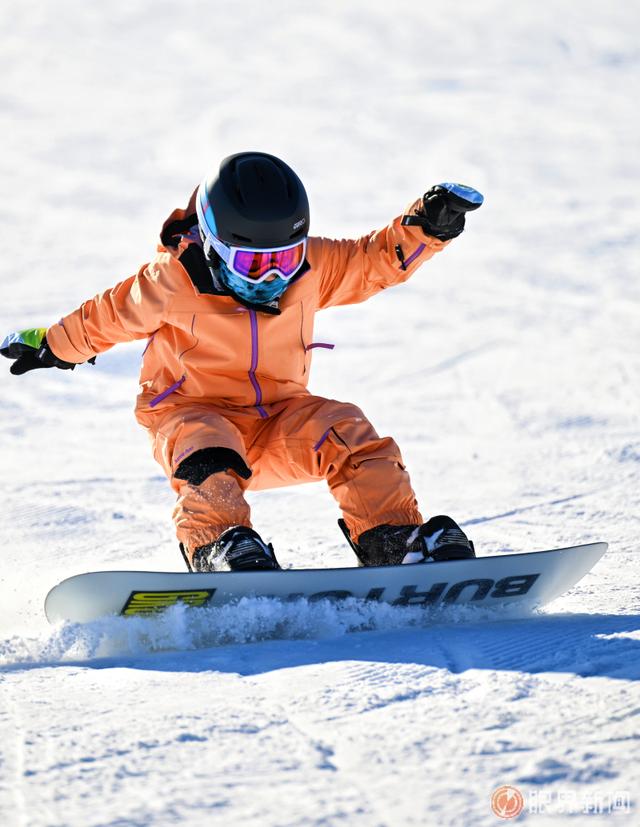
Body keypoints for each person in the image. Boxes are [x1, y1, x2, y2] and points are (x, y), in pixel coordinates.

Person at [1, 151, 483, 572]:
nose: (273, 275)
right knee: (207, 444)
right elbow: (104, 317)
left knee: (346, 428)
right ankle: (218, 546)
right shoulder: (169, 282)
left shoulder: (310, 270)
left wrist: (426, 227)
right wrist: (52, 345)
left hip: (279, 419)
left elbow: (370, 259)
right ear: (212, 245)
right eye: (253, 264)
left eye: (286, 258)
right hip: (192, 415)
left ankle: (393, 540)